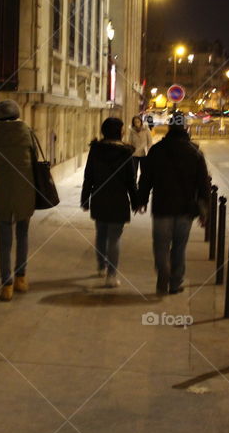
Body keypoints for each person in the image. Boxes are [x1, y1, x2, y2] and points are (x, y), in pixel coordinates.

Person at [137, 111, 210, 295]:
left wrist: (141, 200)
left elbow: (146, 178)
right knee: (179, 247)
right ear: (186, 127)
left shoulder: (157, 150)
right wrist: (203, 210)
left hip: (162, 206)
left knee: (160, 245)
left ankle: (163, 270)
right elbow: (203, 184)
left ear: (169, 127)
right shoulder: (195, 152)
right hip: (186, 208)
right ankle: (175, 282)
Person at [0, 100, 36, 301]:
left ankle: (6, 285)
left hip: (1, 190)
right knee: (22, 235)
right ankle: (21, 278)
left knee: (4, 241)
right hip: (24, 189)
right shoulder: (25, 130)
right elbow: (33, 158)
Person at [81, 118, 138, 287]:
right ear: (118, 132)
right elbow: (131, 181)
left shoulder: (96, 150)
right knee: (114, 238)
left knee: (101, 234)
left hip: (99, 198)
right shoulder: (126, 153)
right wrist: (136, 201)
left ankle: (101, 266)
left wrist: (85, 199)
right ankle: (111, 276)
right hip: (119, 200)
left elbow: (88, 176)